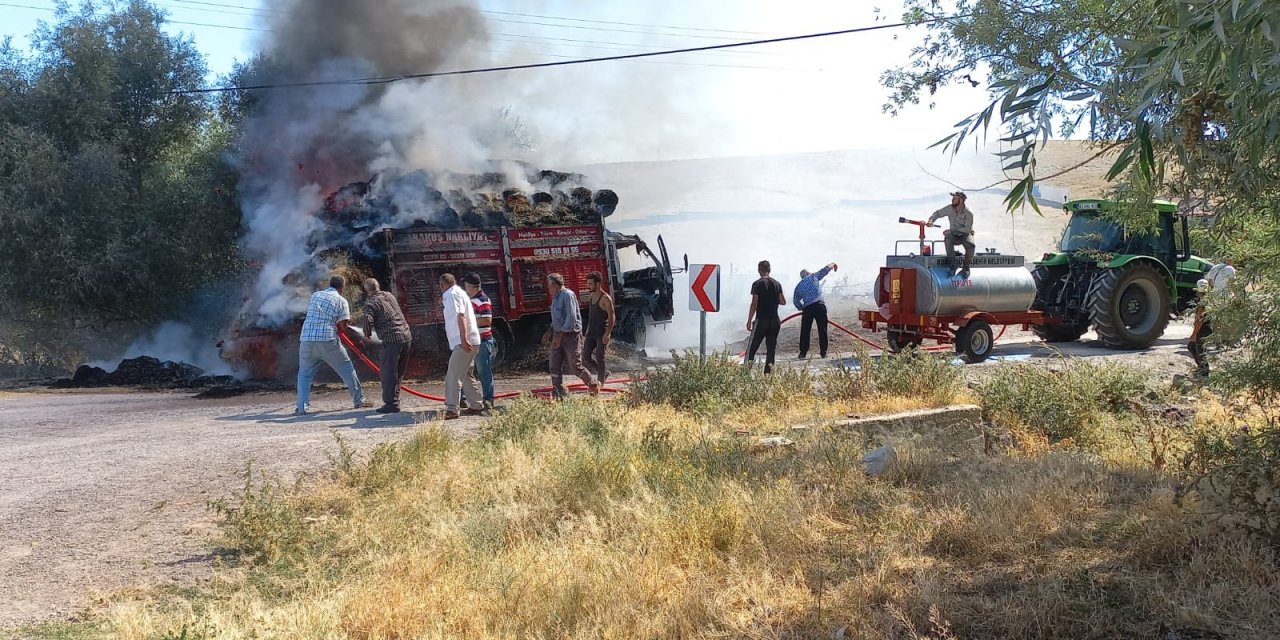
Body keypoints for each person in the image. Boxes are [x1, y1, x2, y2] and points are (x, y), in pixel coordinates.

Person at [295, 275, 372, 415]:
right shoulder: (341, 301)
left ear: (330, 284)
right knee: (346, 368)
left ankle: (301, 407)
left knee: (304, 375)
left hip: (306, 339)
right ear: (342, 287)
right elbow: (343, 327)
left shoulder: (316, 295)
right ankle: (359, 400)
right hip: (327, 340)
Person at [542, 272, 601, 398]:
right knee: (554, 364)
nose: (548, 288)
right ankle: (558, 390)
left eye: (549, 285)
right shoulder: (556, 297)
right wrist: (550, 332)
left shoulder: (567, 295)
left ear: (554, 285)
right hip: (558, 334)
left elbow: (571, 318)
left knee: (575, 365)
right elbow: (557, 318)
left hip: (570, 336)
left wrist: (560, 336)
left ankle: (593, 384)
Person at [360, 278, 413, 414]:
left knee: (388, 373)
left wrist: (366, 335)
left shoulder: (370, 303)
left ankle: (391, 404)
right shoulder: (389, 295)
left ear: (366, 290)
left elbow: (367, 319)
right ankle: (394, 400)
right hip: (406, 337)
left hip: (392, 340)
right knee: (398, 372)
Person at [440, 273, 483, 419]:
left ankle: (452, 408)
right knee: (465, 374)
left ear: (442, 285)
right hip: (471, 340)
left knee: (453, 375)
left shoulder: (452, 295)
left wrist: (464, 340)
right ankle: (477, 405)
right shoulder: (459, 292)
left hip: (463, 342)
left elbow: (460, 316)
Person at [1189, 259, 1236, 376]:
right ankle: (1218, 343)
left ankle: (1203, 371)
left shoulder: (1215, 268)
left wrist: (1194, 334)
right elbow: (1233, 285)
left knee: (1196, 347)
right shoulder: (1230, 270)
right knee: (1218, 323)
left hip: (1210, 313)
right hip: (1221, 301)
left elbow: (1199, 319)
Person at [463, 272, 496, 412]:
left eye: (466, 285)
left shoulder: (482, 300)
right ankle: (464, 399)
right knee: (465, 371)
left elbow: (487, 320)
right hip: (474, 341)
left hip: (483, 341)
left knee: (484, 372)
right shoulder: (472, 299)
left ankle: (488, 400)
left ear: (471, 286)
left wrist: (468, 323)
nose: (464, 287)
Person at [745, 260, 786, 374]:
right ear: (769, 270)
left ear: (759, 270)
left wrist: (749, 320)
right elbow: (783, 301)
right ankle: (768, 374)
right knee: (771, 348)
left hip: (761, 320)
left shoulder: (757, 284)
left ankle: (745, 372)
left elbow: (754, 304)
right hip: (774, 320)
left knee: (752, 347)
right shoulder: (777, 284)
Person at [793, 262, 838, 359]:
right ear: (808, 273)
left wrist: (801, 307)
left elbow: (796, 300)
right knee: (822, 329)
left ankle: (803, 353)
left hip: (807, 308)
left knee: (805, 330)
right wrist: (833, 264)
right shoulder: (814, 276)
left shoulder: (799, 286)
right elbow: (825, 269)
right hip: (819, 306)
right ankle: (823, 352)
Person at [928, 191, 976, 278]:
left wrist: (952, 231)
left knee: (971, 245)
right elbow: (938, 213)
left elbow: (967, 229)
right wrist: (931, 220)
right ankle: (953, 265)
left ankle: (966, 267)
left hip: (965, 234)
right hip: (954, 235)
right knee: (948, 239)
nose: (952, 200)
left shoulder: (968, 213)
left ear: (961, 200)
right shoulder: (950, 209)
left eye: (955, 198)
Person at [581, 271, 616, 385]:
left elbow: (612, 317)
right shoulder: (591, 296)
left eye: (590, 284)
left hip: (601, 333)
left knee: (600, 357)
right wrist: (586, 331)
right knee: (586, 356)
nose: (588, 286)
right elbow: (591, 316)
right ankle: (604, 373)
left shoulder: (605, 298)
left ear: (598, 284)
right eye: (588, 283)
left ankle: (601, 381)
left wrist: (607, 333)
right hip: (591, 332)